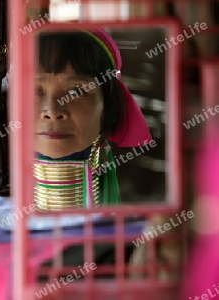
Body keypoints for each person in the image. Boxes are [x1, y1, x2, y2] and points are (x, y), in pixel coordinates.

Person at [34, 27, 152, 210]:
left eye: (76, 91)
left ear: (106, 105)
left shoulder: (145, 205)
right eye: (34, 91)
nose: (52, 111)